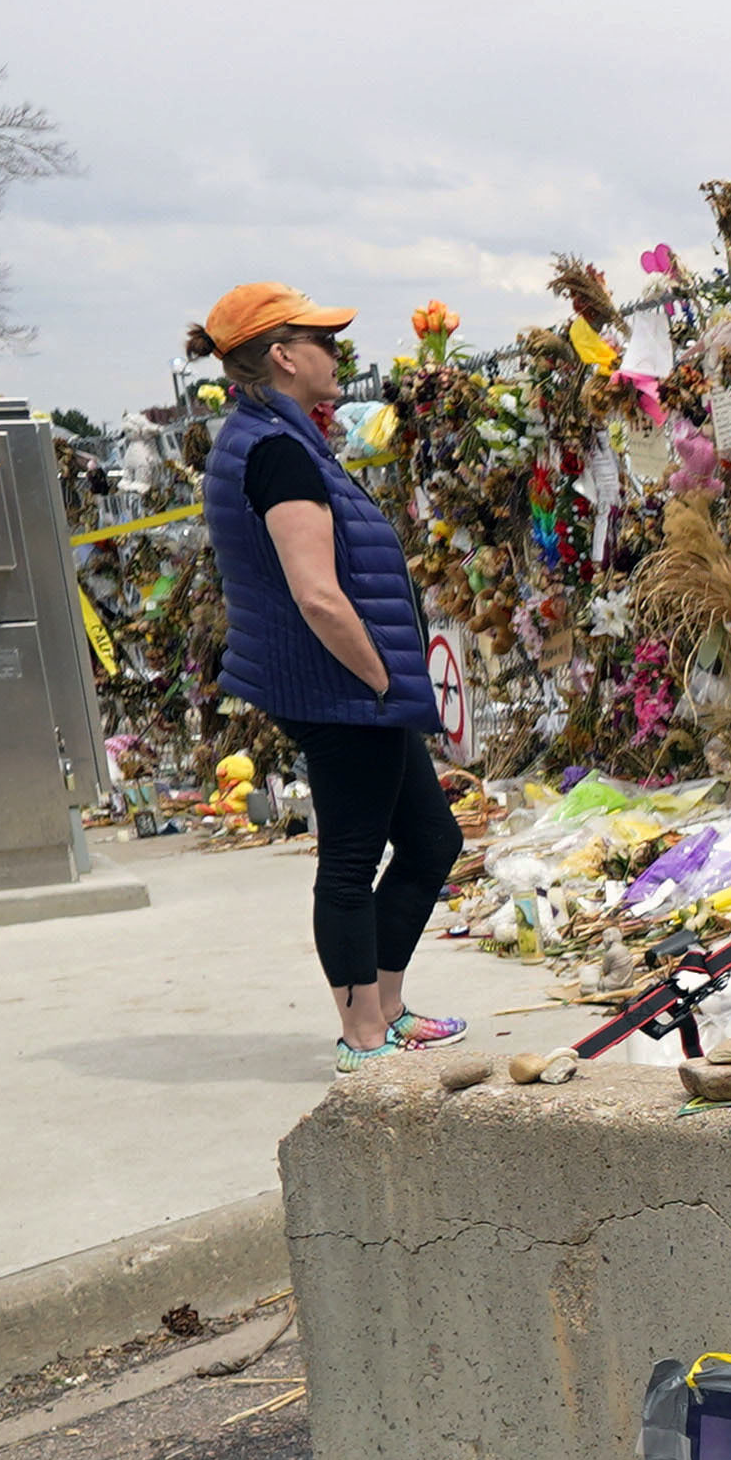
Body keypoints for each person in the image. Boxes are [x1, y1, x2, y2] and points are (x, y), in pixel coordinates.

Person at [189, 279, 467, 1075]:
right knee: (350, 858)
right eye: (324, 342)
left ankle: (385, 1006)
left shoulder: (279, 437)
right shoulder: (276, 452)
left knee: (432, 839)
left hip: (350, 688)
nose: (338, 354)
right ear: (281, 355)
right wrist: (382, 681)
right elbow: (317, 593)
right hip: (339, 689)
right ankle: (363, 1037)